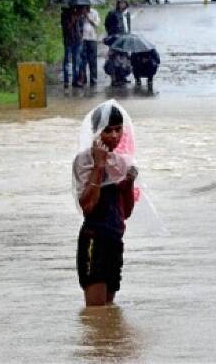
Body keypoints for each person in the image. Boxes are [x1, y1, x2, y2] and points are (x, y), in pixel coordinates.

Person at [73, 101, 139, 307]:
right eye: (107, 131)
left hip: (114, 240)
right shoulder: (84, 161)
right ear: (96, 132)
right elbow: (87, 206)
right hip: (94, 239)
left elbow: (125, 212)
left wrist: (128, 183)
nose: (113, 136)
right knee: (95, 312)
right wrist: (99, 165)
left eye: (118, 130)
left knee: (108, 312)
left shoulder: (121, 163)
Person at [62, 6, 85, 88]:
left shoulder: (80, 15)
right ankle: (66, 81)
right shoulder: (64, 15)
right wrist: (73, 20)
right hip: (68, 41)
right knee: (67, 61)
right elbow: (66, 28)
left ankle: (75, 81)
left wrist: (81, 37)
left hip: (78, 41)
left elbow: (82, 28)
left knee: (77, 61)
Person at [80, 5, 101, 85]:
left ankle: (93, 78)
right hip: (82, 39)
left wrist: (88, 17)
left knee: (93, 60)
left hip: (92, 38)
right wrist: (82, 15)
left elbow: (97, 24)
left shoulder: (94, 12)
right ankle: (83, 78)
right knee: (83, 60)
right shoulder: (80, 12)